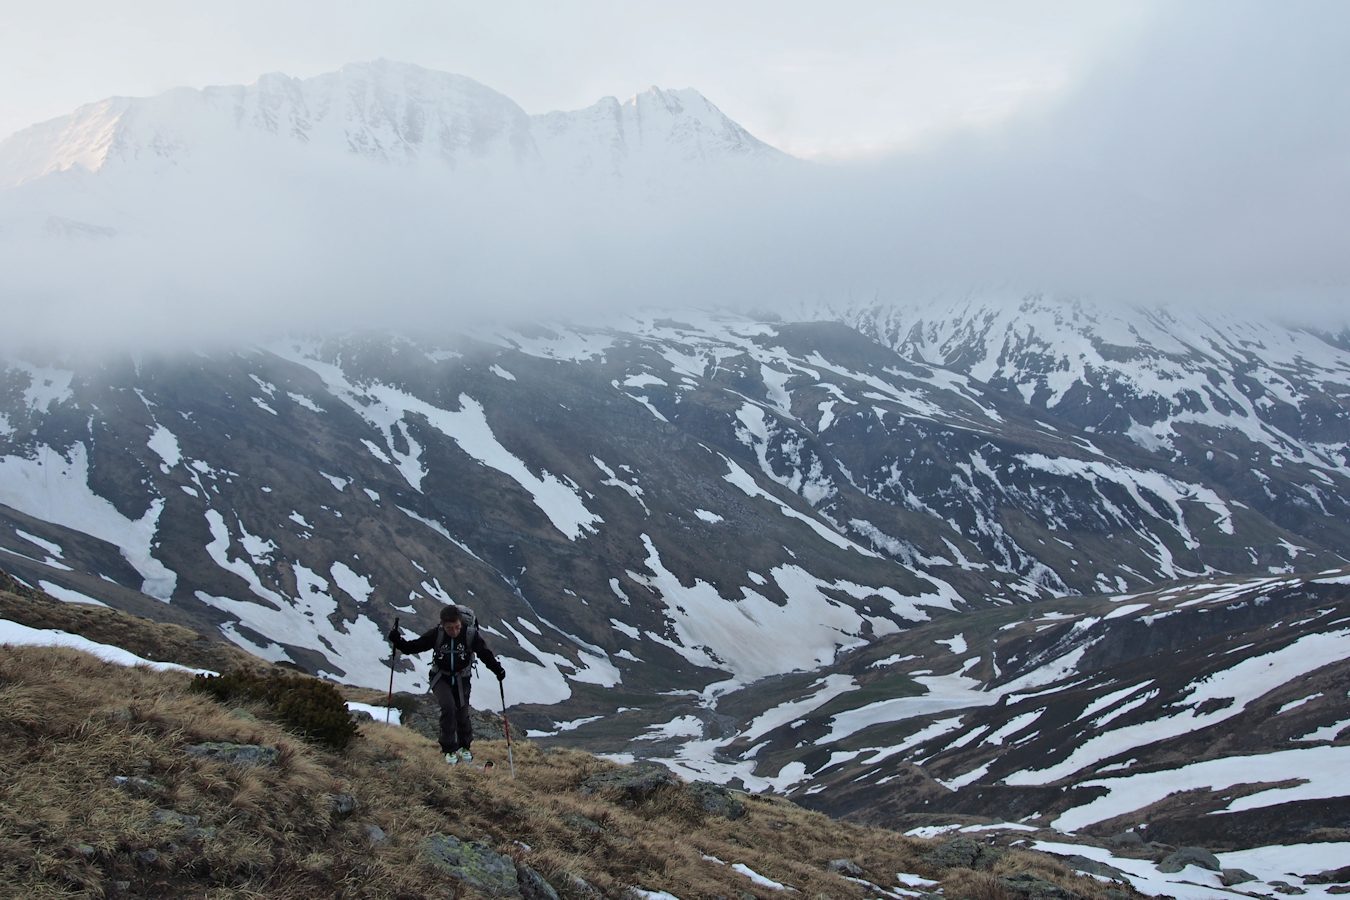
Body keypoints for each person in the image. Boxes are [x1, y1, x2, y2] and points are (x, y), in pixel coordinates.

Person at [388, 605, 505, 765]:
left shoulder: (470, 634)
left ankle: (464, 747)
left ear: (461, 622)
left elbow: (485, 654)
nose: (455, 631)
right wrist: (397, 640)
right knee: (448, 707)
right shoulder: (437, 634)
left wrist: (497, 670)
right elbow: (412, 647)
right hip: (440, 677)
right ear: (443, 625)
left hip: (462, 678)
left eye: (457, 627)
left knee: (462, 712)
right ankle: (449, 749)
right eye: (450, 628)